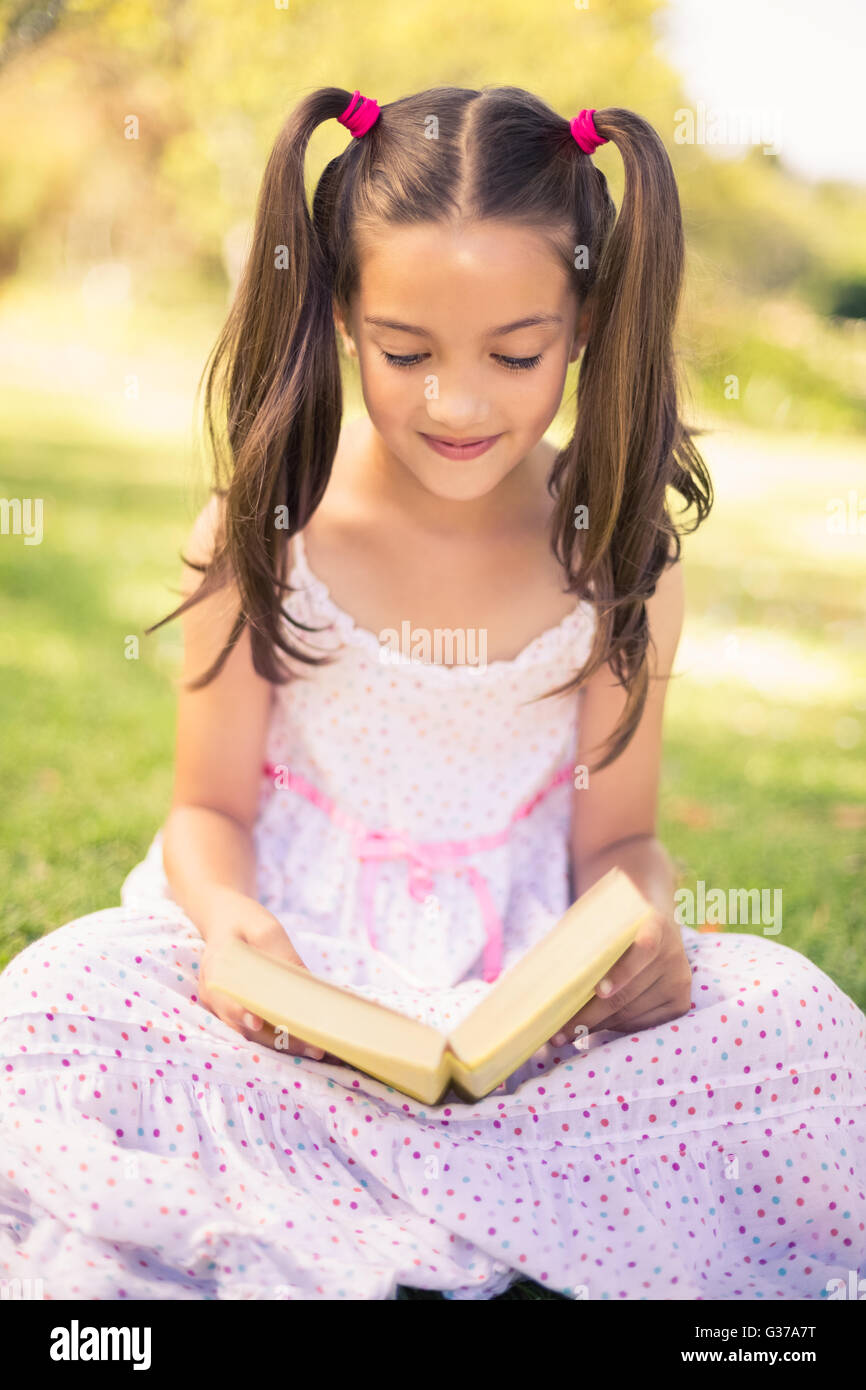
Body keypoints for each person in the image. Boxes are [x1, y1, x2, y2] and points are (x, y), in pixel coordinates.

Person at [1, 86, 863, 1302]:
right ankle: (473, 1189)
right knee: (51, 999)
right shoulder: (265, 530)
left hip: (520, 1006)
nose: (457, 404)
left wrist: (642, 930)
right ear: (342, 315)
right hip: (296, 985)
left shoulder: (618, 553)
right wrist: (237, 930)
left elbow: (619, 840)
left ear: (582, 326)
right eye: (405, 353)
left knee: (800, 1021)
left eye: (515, 354)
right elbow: (206, 814)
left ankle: (411, 1175)